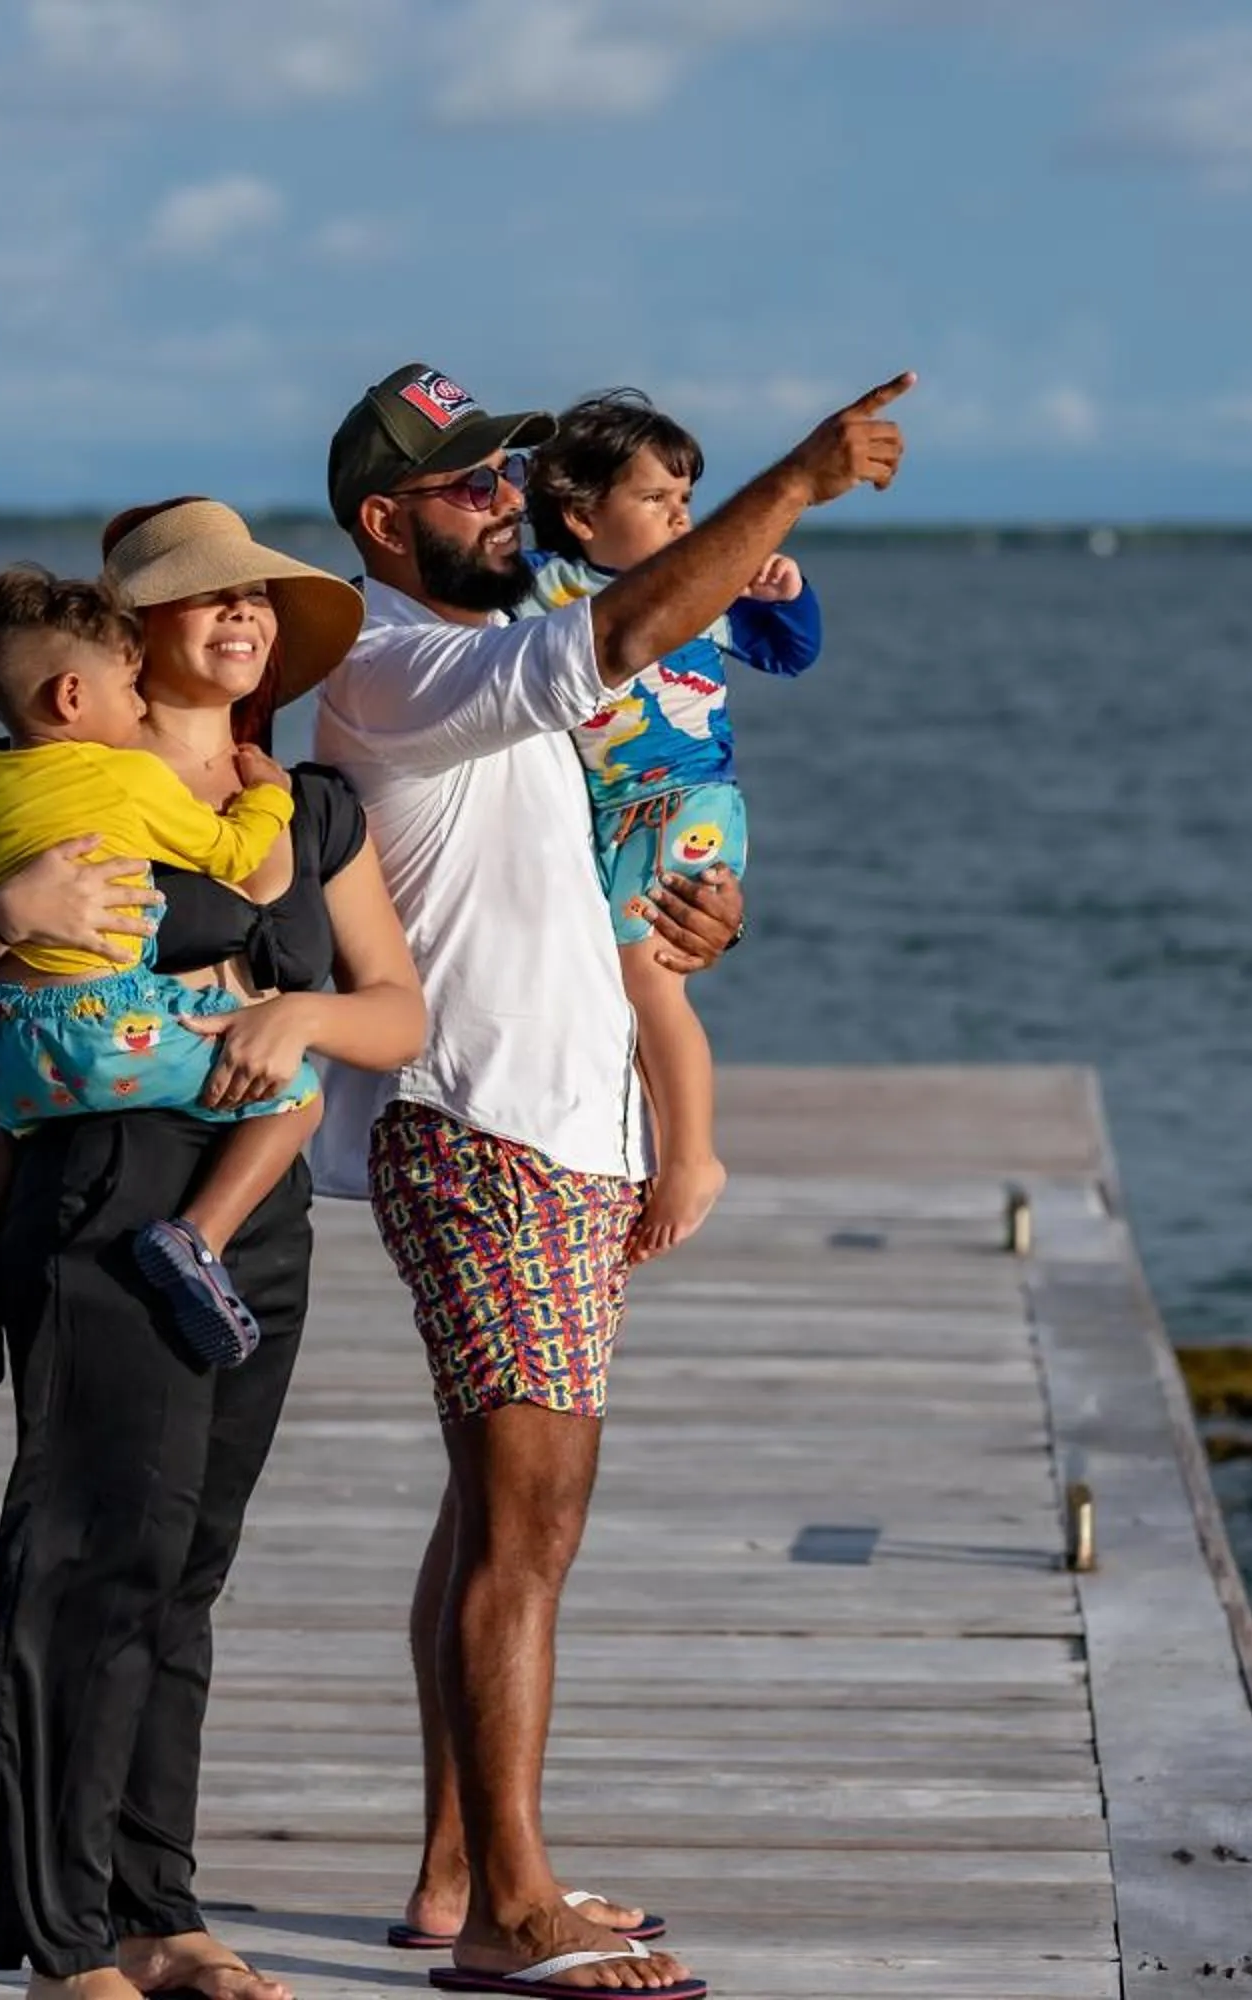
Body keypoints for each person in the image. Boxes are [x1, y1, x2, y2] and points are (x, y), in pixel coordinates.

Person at [311, 360, 909, 2000]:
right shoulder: (393, 659)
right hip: (489, 1129)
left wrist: (688, 926)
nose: (506, 500)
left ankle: (460, 1875)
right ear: (385, 525)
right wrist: (792, 484)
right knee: (532, 1523)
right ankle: (513, 1908)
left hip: (556, 1129)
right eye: (470, 486)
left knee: (497, 1517)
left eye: (512, 475)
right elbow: (623, 634)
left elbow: (571, 856)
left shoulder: (474, 666)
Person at [0, 497, 425, 2000]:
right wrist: (9, 908)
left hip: (257, 1212)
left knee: (185, 1567)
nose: (244, 619)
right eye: (208, 602)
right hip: (104, 1185)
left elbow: (398, 1009)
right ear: (131, 642)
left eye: (261, 603)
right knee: (88, 1562)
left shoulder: (307, 807)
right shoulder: (48, 787)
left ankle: (156, 1912)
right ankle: (63, 1948)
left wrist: (303, 1014)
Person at [0, 562, 330, 1390]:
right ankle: (198, 1237)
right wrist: (268, 797)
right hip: (107, 1022)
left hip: (5, 1035)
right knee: (296, 1092)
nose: (139, 703)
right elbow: (234, 857)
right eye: (129, 687)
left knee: (7, 1132)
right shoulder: (128, 776)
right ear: (71, 699)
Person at [515, 389, 824, 1259]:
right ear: (580, 515)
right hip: (615, 810)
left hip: (689, 800)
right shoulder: (547, 587)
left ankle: (693, 1157)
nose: (683, 519)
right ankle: (657, 1145)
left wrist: (786, 589)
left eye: (687, 502)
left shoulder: (701, 591)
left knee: (651, 978)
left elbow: (790, 652)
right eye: (657, 501)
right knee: (619, 980)